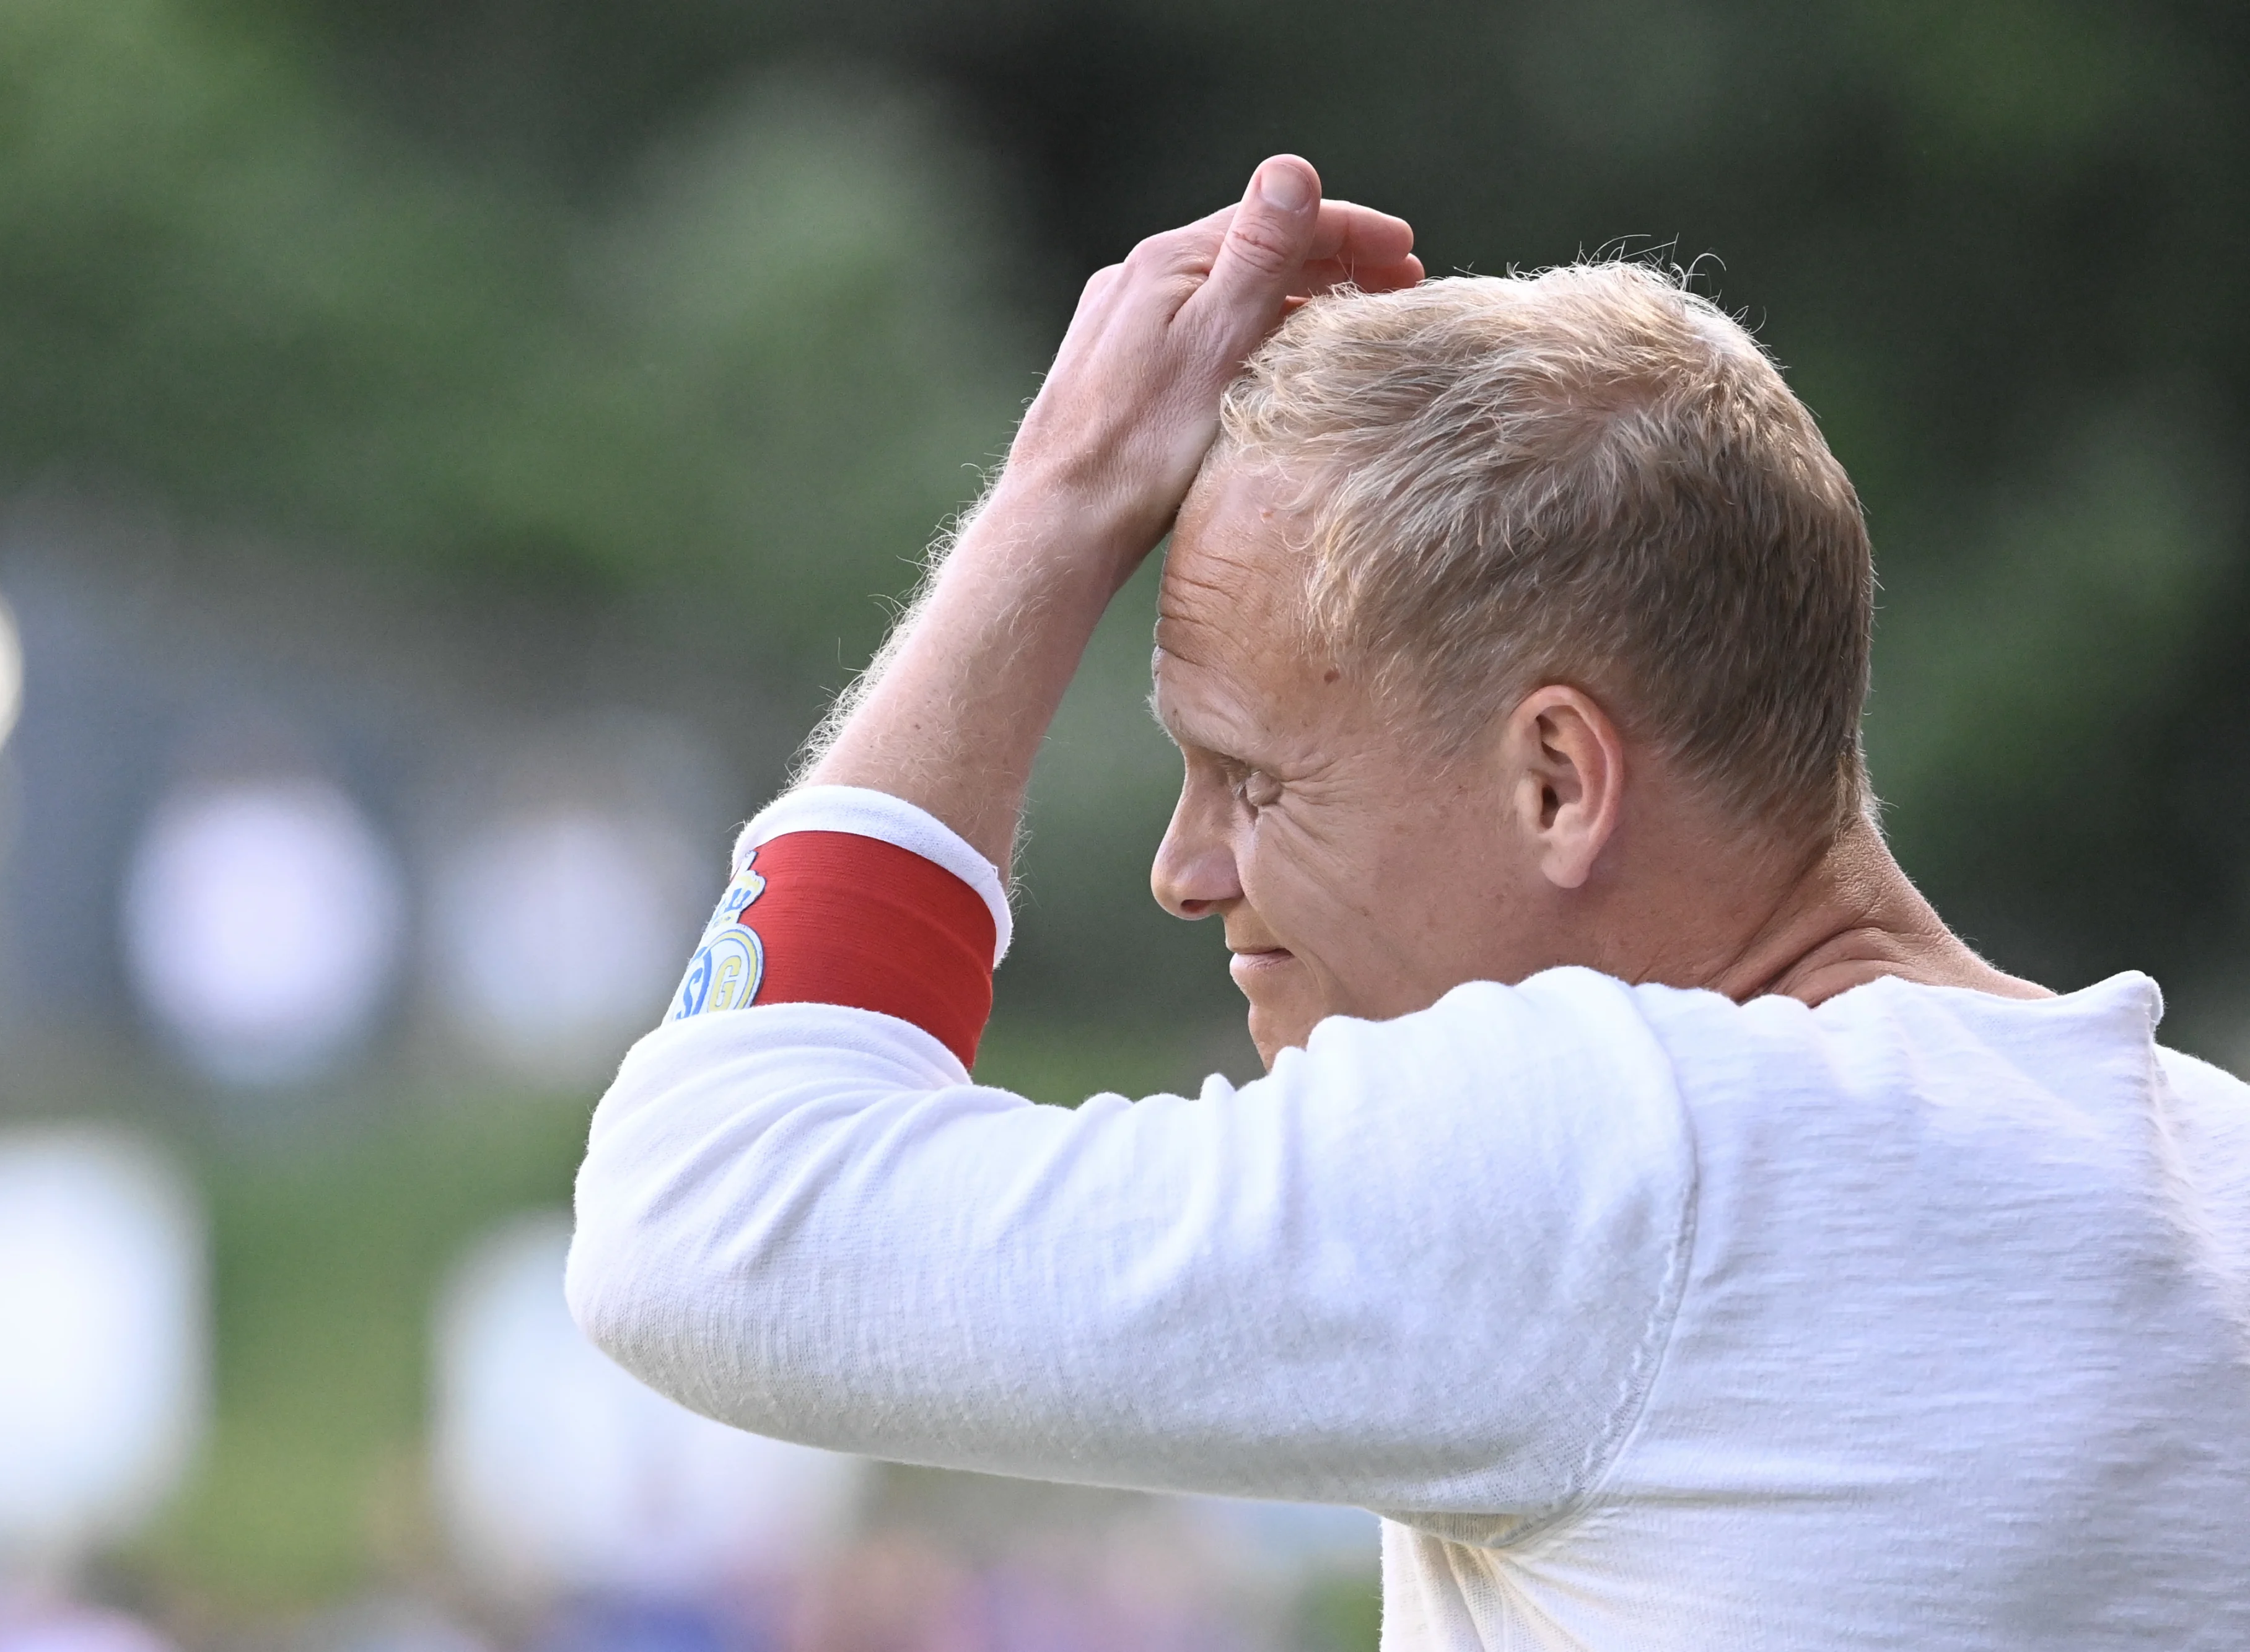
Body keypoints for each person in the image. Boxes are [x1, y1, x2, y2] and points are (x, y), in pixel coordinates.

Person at [566, 156, 2250, 1648]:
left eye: (1253, 778)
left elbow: (710, 1223)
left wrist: (1059, 504)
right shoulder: (2212, 1166)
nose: (1186, 868)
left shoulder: (1625, 1155)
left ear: (1559, 785)